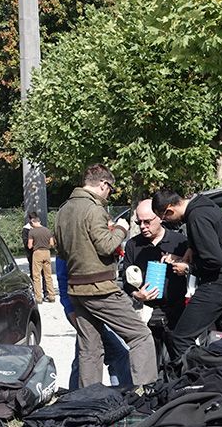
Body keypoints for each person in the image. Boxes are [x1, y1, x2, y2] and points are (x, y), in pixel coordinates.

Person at [54, 163, 157, 387]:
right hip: (100, 289)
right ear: (103, 184)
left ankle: (88, 401)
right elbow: (105, 246)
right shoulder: (94, 209)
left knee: (90, 349)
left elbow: (61, 252)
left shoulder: (63, 211)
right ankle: (148, 391)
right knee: (140, 335)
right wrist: (120, 228)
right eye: (110, 189)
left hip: (76, 291)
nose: (109, 194)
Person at [152, 188, 222, 355]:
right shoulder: (206, 206)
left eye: (164, 217)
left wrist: (188, 268)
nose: (165, 221)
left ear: (169, 209)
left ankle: (193, 379)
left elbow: (214, 260)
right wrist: (192, 248)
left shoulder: (197, 218)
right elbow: (215, 239)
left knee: (180, 338)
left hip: (218, 285)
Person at [121, 199, 188, 371]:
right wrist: (137, 295)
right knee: (150, 361)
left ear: (159, 217)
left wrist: (183, 265)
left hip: (177, 309)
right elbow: (126, 278)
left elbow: (195, 270)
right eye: (139, 222)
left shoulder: (179, 241)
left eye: (147, 222)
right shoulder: (133, 245)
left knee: (180, 358)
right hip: (147, 311)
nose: (143, 226)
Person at [56, 256, 132, 388]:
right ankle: (122, 393)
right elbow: (63, 282)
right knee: (109, 355)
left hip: (101, 309)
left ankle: (79, 396)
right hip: (83, 310)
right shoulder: (70, 245)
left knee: (87, 355)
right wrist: (70, 311)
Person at [27, 214, 56, 304]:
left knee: (36, 276)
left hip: (37, 253)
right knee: (48, 276)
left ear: (33, 222)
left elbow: (29, 245)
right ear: (39, 222)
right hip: (47, 252)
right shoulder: (47, 230)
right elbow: (52, 243)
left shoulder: (32, 232)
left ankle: (38, 297)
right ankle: (51, 296)